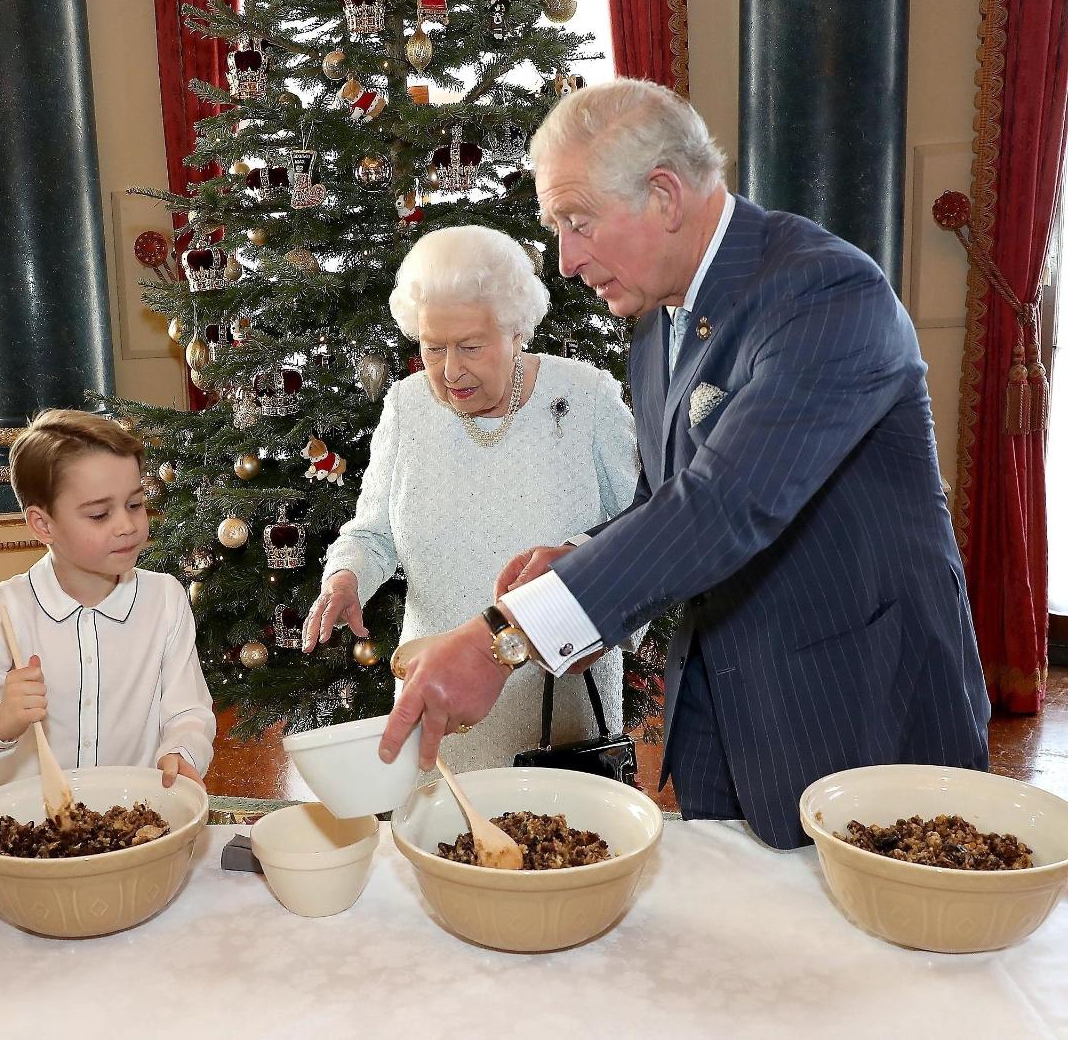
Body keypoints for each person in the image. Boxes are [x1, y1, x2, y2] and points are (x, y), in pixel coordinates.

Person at [379, 79, 990, 849]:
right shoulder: (659, 317)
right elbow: (666, 500)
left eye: (576, 222)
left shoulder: (826, 294)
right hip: (727, 717)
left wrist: (506, 637)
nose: (565, 261)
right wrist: (585, 555)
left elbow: (723, 505)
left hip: (858, 707)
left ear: (665, 196)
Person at [303, 226, 638, 772]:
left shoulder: (586, 397)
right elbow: (373, 532)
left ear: (516, 332)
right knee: (441, 846)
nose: (450, 370)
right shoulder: (408, 407)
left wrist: (595, 613)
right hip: (437, 698)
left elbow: (640, 530)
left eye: (471, 347)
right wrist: (347, 576)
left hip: (558, 705)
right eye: (433, 348)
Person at [0, 410, 215, 788]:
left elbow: (188, 711)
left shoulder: (165, 600)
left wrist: (182, 750)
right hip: (36, 832)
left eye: (135, 504)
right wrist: (1, 720)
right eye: (98, 514)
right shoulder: (10, 608)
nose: (127, 526)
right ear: (42, 525)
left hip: (134, 819)